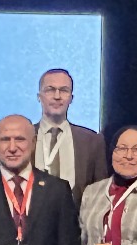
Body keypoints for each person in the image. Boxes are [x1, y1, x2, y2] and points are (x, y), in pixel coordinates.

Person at [34, 67, 108, 204]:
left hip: (76, 215)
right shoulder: (24, 137)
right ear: (39, 96)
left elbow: (100, 190)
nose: (57, 96)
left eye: (64, 90)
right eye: (50, 90)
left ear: (71, 98)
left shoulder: (91, 140)